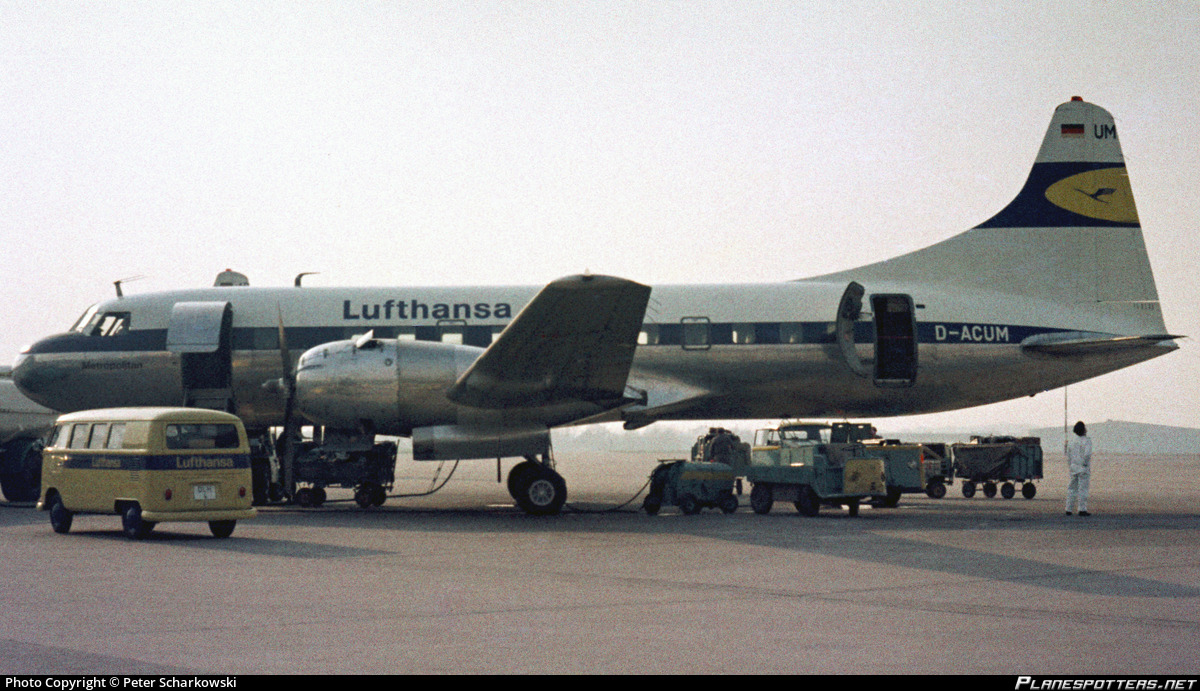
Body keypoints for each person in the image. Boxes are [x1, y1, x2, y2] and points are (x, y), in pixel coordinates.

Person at [1065, 421, 1093, 516]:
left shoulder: (1072, 441)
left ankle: (1068, 508)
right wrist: (1084, 464)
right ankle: (1082, 509)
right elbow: (1087, 454)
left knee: (1072, 488)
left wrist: (1071, 466)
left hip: (1074, 468)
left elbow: (1068, 455)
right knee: (1083, 489)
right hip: (1082, 468)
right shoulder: (1087, 441)